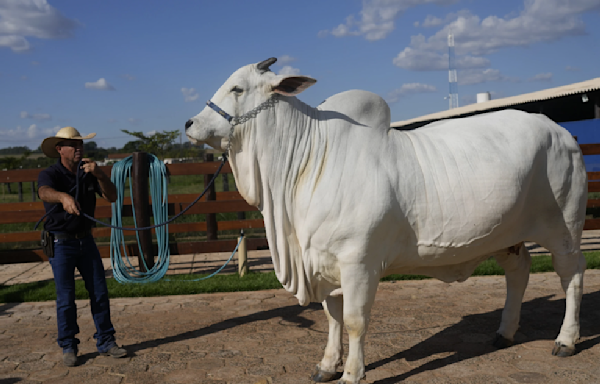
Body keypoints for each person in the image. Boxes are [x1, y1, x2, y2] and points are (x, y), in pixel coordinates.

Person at [37, 127, 127, 367]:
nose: (79, 148)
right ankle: (68, 345)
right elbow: (44, 192)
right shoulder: (50, 173)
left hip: (86, 240)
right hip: (61, 242)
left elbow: (113, 196)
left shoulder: (89, 172)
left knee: (99, 292)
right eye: (72, 145)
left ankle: (106, 341)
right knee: (66, 297)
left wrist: (101, 176)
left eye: (80, 144)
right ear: (60, 150)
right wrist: (63, 198)